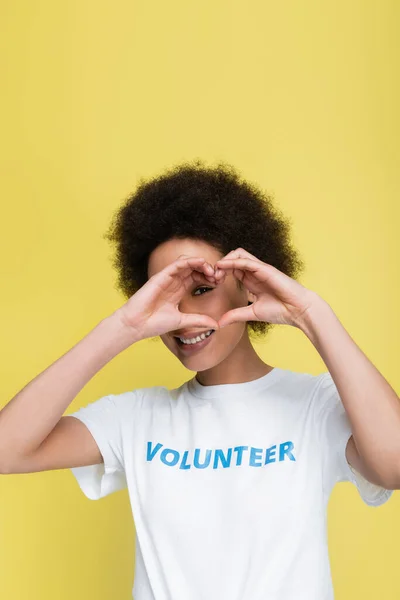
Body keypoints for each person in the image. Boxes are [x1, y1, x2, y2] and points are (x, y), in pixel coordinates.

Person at [0, 159, 397, 600]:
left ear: (249, 284)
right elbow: (6, 449)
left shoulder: (314, 406)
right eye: (164, 293)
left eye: (202, 289)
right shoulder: (135, 418)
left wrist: (310, 314)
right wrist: (125, 327)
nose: (184, 315)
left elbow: (394, 464)